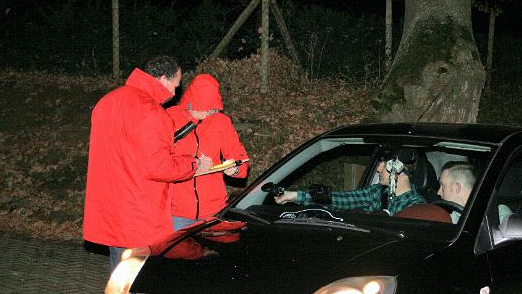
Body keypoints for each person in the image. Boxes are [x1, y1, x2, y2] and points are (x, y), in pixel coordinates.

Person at [83, 55, 213, 273]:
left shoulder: (108, 101)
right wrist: (192, 165)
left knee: (119, 275)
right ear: (163, 78)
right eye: (175, 84)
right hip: (138, 211)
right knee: (139, 280)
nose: (175, 92)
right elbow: (158, 166)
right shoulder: (151, 111)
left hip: (111, 206)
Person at [167, 73, 250, 231]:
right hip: (176, 211)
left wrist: (235, 168)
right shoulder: (170, 118)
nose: (206, 115)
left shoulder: (221, 122)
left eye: (211, 110)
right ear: (189, 103)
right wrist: (192, 164)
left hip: (214, 211)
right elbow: (158, 160)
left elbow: (241, 158)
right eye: (201, 109)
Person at [274, 148, 426, 215]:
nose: (378, 169)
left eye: (384, 164)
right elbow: (343, 199)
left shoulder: (417, 207)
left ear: (398, 169)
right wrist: (294, 196)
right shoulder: (377, 192)